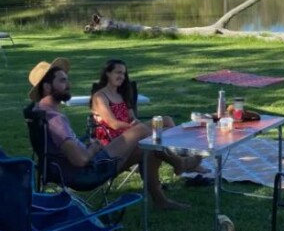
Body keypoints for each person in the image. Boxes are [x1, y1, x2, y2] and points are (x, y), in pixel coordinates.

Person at [28, 58, 200, 210]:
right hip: (89, 170)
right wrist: (94, 148)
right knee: (143, 132)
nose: (68, 84)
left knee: (148, 147)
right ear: (47, 86)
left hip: (72, 168)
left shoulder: (40, 112)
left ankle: (161, 199)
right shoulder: (55, 119)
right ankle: (179, 162)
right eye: (63, 81)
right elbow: (80, 160)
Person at [90, 58, 210, 184]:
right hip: (115, 141)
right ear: (107, 73)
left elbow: (131, 117)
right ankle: (181, 162)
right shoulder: (100, 96)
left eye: (124, 73)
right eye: (118, 73)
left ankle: (181, 159)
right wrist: (135, 128)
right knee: (157, 135)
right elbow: (113, 124)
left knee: (166, 120)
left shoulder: (121, 93)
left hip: (130, 131)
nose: (122, 76)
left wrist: (135, 122)